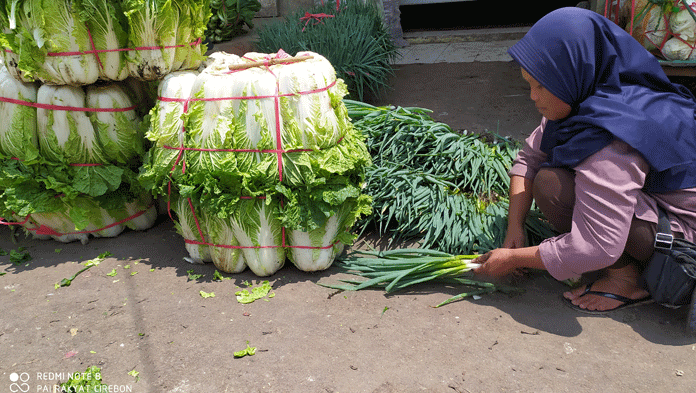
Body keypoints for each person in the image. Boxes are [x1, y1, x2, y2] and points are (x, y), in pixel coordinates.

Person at [472, 7, 696, 318]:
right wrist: (515, 227)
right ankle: (629, 266)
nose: (533, 97)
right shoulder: (603, 92)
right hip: (662, 213)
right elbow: (529, 158)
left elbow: (596, 246)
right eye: (530, 85)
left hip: (686, 240)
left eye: (541, 87)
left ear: (573, 73)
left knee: (552, 187)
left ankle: (626, 279)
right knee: (550, 176)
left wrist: (512, 259)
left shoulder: (611, 135)